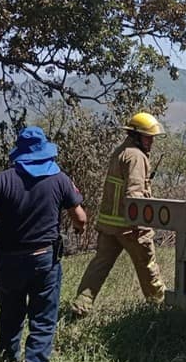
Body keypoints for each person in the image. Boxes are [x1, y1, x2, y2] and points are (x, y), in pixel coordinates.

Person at [0, 126, 87, 362]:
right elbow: (80, 218)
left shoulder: (0, 181)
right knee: (43, 320)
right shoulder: (60, 179)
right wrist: (79, 229)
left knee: (10, 315)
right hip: (44, 260)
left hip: (8, 260)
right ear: (45, 152)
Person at [71, 112, 166, 317]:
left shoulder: (121, 152)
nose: (151, 141)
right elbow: (135, 195)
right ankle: (159, 309)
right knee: (148, 267)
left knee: (99, 266)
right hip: (130, 227)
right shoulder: (136, 157)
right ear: (135, 135)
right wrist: (137, 226)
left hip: (108, 226)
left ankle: (81, 305)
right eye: (148, 137)